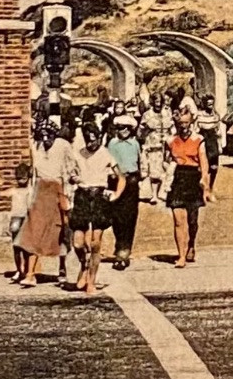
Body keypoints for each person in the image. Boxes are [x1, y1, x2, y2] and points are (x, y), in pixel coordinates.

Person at [15, 116, 75, 287]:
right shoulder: (36, 146)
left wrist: (67, 194)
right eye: (43, 135)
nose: (46, 139)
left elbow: (71, 169)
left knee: (62, 231)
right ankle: (30, 273)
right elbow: (33, 172)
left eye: (49, 135)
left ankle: (63, 269)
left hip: (58, 189)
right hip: (40, 191)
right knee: (35, 231)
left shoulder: (63, 145)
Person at [68, 120, 123, 295]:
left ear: (99, 138)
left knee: (95, 243)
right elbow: (71, 175)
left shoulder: (106, 154)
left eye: (94, 140)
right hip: (83, 196)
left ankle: (91, 280)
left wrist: (115, 195)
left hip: (99, 196)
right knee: (77, 242)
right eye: (88, 140)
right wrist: (74, 178)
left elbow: (121, 178)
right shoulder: (78, 154)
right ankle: (84, 265)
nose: (91, 143)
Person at [166, 110, 212, 268]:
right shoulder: (171, 140)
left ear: (191, 123)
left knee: (192, 220)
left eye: (186, 123)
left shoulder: (198, 140)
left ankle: (191, 244)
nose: (184, 126)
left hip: (193, 177)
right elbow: (167, 160)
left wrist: (205, 183)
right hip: (178, 178)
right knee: (179, 220)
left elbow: (203, 162)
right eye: (181, 123)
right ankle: (181, 255)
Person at [106, 114, 143, 269]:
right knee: (116, 216)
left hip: (132, 180)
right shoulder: (112, 144)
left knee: (130, 216)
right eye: (120, 128)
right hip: (115, 180)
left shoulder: (134, 144)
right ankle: (119, 244)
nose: (123, 131)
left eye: (126, 128)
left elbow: (139, 162)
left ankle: (124, 250)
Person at [139, 90, 175, 205]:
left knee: (166, 169)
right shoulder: (147, 114)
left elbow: (172, 127)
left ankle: (163, 192)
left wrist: (171, 136)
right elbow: (140, 131)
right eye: (156, 101)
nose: (158, 104)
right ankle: (154, 195)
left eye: (160, 101)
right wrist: (146, 129)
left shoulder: (167, 113)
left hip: (166, 144)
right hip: (153, 145)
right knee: (154, 172)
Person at [194, 91, 230, 190]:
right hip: (203, 141)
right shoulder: (199, 115)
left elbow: (218, 132)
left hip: (212, 142)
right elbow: (195, 130)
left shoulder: (215, 116)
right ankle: (201, 187)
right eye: (208, 104)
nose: (210, 106)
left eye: (212, 104)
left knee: (214, 167)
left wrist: (220, 145)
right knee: (202, 166)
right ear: (204, 104)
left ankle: (211, 186)